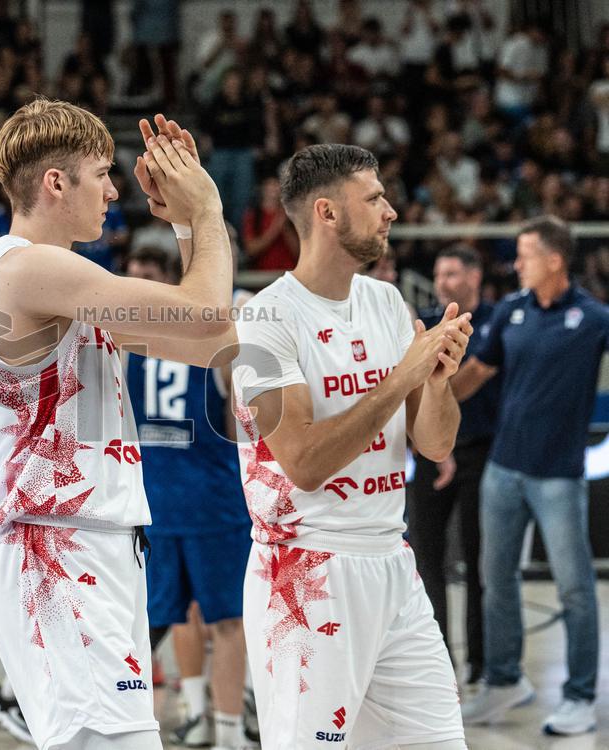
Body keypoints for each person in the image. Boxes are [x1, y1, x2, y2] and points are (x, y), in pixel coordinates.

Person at [0, 99, 236, 750]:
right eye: (101, 173)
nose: (116, 191)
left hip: (88, 546)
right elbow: (206, 315)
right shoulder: (30, 267)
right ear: (57, 183)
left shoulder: (62, 280)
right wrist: (206, 211)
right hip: (56, 549)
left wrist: (187, 230)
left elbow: (208, 341)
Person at [232, 143, 472, 749]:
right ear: (326, 213)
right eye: (374, 198)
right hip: (306, 571)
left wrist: (436, 383)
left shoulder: (385, 302)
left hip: (392, 559)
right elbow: (305, 463)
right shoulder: (266, 321)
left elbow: (435, 443)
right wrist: (402, 378)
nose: (390, 211)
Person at [455, 216, 607, 736]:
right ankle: (503, 682)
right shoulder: (511, 311)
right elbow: (476, 373)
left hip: (559, 477)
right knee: (494, 580)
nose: (516, 264)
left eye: (525, 254)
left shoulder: (593, 319)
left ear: (555, 259)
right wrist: (426, 400)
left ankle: (581, 695)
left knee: (575, 589)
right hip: (503, 470)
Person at [124, 247, 253, 750]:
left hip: (155, 499)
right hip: (212, 499)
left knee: (178, 612)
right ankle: (229, 730)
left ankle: (198, 713)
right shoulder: (219, 334)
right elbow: (237, 428)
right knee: (227, 622)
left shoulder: (134, 339)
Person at [408, 244, 499, 687]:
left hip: (481, 452)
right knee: (428, 561)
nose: (443, 281)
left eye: (452, 273)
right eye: (439, 273)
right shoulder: (427, 322)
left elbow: (456, 384)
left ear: (475, 276)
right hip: (429, 454)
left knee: (480, 563)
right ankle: (436, 664)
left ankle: (480, 667)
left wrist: (446, 380)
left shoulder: (495, 320)